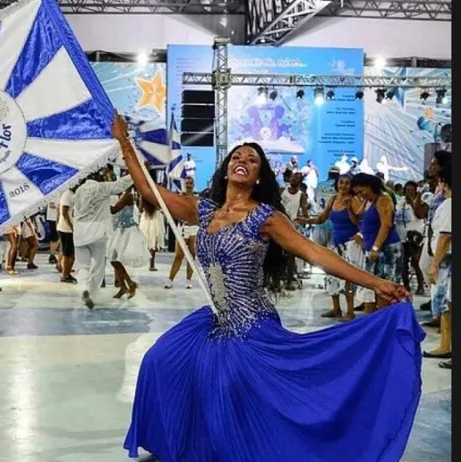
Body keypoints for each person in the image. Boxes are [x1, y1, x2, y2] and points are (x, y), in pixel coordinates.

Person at [116, 112, 421, 462]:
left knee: (230, 388)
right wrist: (124, 142)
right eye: (237, 157)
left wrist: (376, 282)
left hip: (251, 325)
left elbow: (315, 252)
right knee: (158, 360)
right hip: (214, 322)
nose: (242, 161)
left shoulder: (266, 218)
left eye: (252, 160)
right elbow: (146, 189)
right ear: (227, 168)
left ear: (259, 175)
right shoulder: (204, 211)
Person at [298, 175, 364, 320]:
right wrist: (307, 220)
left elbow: (360, 222)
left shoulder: (353, 200)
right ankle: (336, 309)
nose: (344, 186)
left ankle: (350, 311)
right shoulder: (333, 199)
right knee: (331, 275)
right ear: (337, 184)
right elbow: (322, 218)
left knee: (348, 278)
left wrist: (350, 212)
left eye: (347, 183)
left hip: (350, 244)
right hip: (335, 243)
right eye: (341, 183)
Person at [72, 168, 133, 308]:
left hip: (80, 232)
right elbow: (120, 185)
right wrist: (136, 173)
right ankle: (92, 292)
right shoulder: (101, 187)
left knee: (82, 266)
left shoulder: (78, 191)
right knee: (98, 266)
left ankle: (84, 289)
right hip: (98, 232)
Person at [351, 173, 402, 314]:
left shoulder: (383, 199)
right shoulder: (368, 201)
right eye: (358, 193)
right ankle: (373, 322)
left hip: (387, 250)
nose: (361, 195)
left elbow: (386, 225)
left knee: (385, 289)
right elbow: (364, 221)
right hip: (373, 249)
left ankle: (385, 321)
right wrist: (361, 234)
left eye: (362, 191)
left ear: (369, 186)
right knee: (371, 288)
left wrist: (375, 247)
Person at [423, 162, 451, 368]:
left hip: (448, 261)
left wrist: (435, 264)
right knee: (448, 306)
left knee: (451, 305)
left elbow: (445, 236)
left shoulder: (450, 204)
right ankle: (445, 346)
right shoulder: (447, 203)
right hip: (446, 261)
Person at [108, 185, 145, 299]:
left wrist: (100, 202)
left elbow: (113, 210)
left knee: (114, 258)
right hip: (121, 229)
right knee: (114, 258)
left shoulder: (128, 196)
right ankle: (124, 286)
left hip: (126, 230)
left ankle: (129, 283)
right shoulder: (126, 194)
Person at [165, 176, 197, 289]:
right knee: (179, 255)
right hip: (182, 228)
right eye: (187, 183)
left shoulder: (196, 198)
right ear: (184, 184)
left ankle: (189, 280)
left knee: (192, 255)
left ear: (193, 185)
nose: (188, 185)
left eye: (190, 183)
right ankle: (170, 279)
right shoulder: (179, 197)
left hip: (193, 228)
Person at [396, 181, 426, 295]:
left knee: (416, 262)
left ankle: (420, 285)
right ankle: (406, 286)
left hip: (415, 237)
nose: (409, 193)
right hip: (402, 236)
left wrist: (413, 203)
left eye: (412, 190)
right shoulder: (400, 202)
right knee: (403, 263)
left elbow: (420, 215)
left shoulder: (419, 202)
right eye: (407, 190)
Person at [57, 186, 76, 283]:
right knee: (68, 253)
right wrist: (71, 226)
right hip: (66, 229)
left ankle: (67, 273)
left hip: (67, 228)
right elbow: (64, 212)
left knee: (70, 253)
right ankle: (65, 275)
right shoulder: (68, 194)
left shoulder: (71, 194)